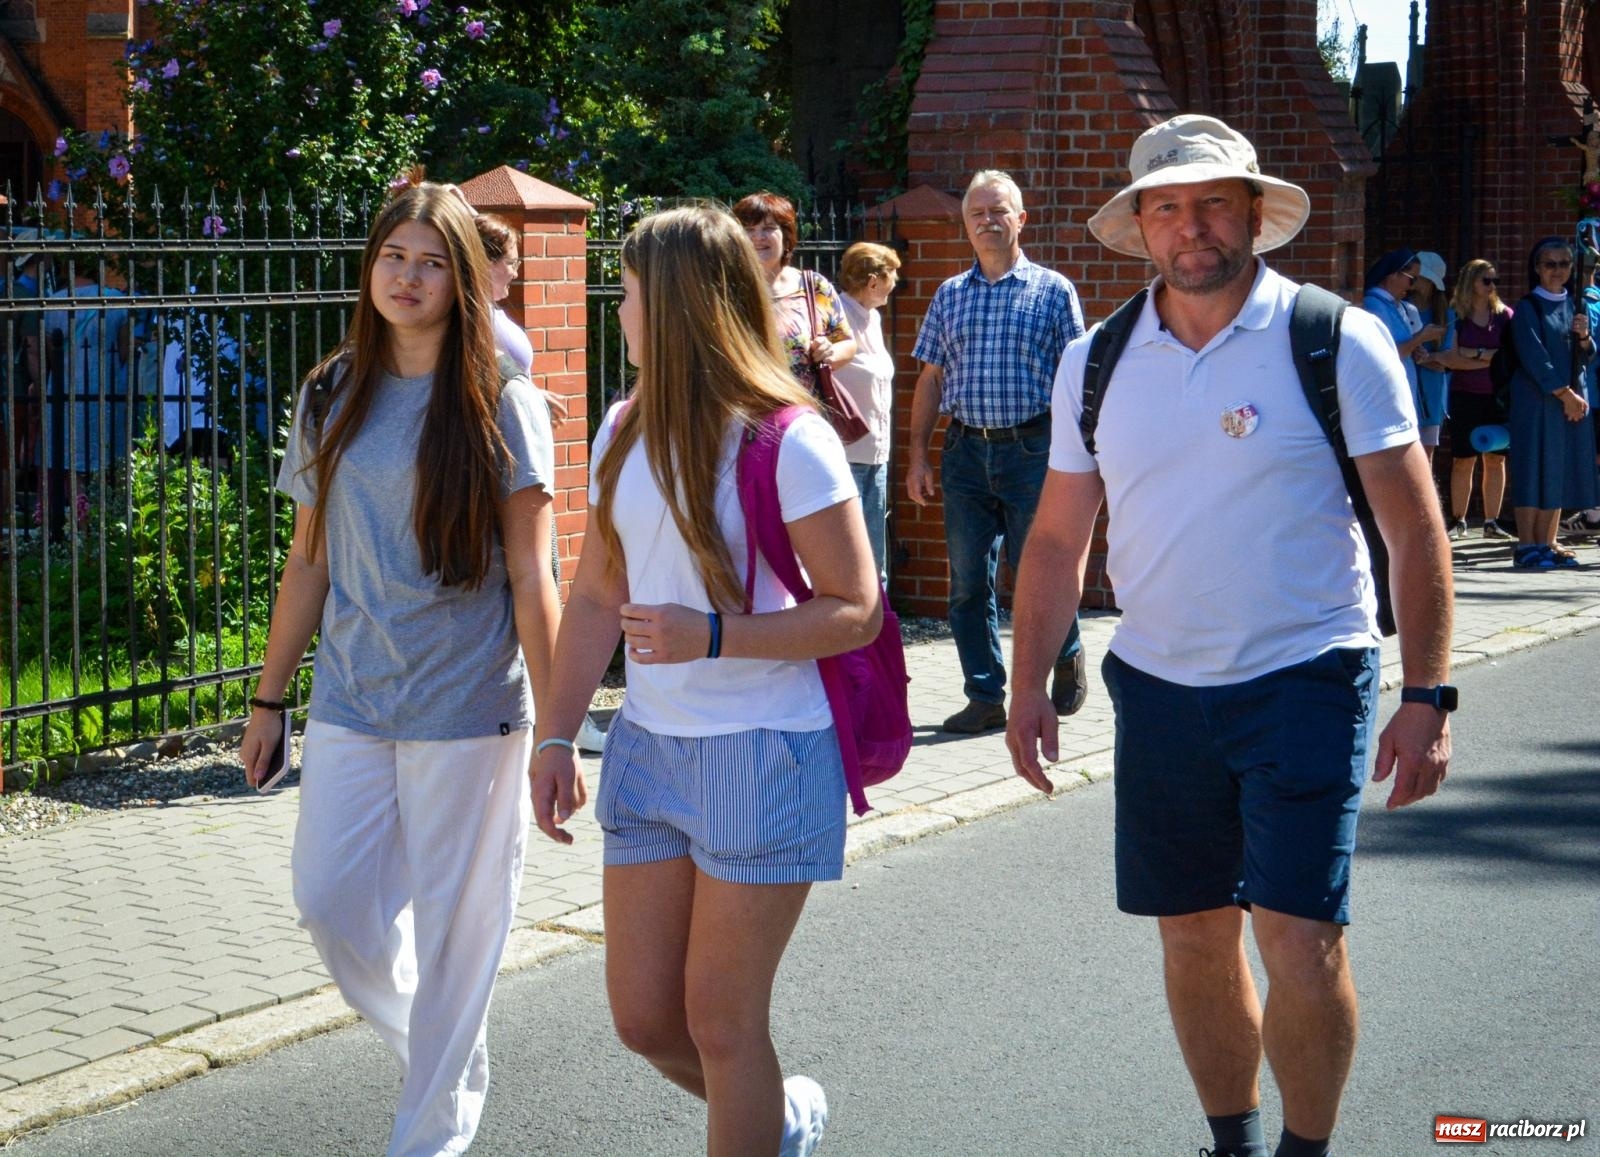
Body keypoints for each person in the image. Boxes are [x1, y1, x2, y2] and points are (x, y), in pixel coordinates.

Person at [1006, 115, 1454, 1157]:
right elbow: (1055, 538)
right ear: (1141, 227)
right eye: (1167, 207)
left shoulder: (1333, 337)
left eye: (1212, 203)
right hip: (1158, 689)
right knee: (1194, 936)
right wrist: (1029, 679)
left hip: (1308, 672)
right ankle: (1234, 1145)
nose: (1191, 226)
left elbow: (1410, 525)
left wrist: (1427, 692)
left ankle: (1305, 1148)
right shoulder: (1095, 360)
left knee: (1299, 939)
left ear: (1253, 213)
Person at [529, 206, 879, 1157]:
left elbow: (857, 608)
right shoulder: (619, 429)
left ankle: (758, 1117)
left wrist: (713, 632)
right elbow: (595, 593)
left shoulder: (788, 440)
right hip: (650, 752)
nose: (619, 309)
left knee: (724, 1026)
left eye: (631, 291)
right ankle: (779, 1119)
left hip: (765, 754)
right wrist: (555, 736)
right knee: (647, 1021)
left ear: (678, 304)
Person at [238, 180, 562, 1156]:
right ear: (370, 267)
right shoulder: (332, 391)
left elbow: (532, 573)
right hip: (351, 698)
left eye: (430, 260)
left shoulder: (503, 403)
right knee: (331, 902)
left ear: (461, 277)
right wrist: (268, 696)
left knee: (462, 933)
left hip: (470, 712)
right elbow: (309, 561)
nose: (408, 275)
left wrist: (557, 727)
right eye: (393, 256)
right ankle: (446, 1055)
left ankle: (429, 1135)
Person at [907, 169, 1087, 734]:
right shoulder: (949, 294)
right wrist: (917, 453)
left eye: (998, 210)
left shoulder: (1053, 291)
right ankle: (984, 696)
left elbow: (1076, 377)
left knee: (1041, 568)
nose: (988, 221)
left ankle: (1068, 646)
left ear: (1020, 219)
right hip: (964, 452)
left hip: (1034, 449)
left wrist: (1080, 453)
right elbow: (931, 378)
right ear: (966, 226)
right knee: (966, 580)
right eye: (977, 213)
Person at [1505, 236, 1597, 569]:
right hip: (1537, 401)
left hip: (1570, 400)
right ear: (1537, 268)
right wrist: (1564, 394)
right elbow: (1535, 357)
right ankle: (1527, 544)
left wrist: (1584, 337)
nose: (1557, 270)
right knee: (1533, 468)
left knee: (1556, 470)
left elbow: (1589, 357)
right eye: (1550, 264)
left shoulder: (1577, 305)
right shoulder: (1528, 307)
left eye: (1564, 264)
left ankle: (1547, 543)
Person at [732, 191, 857, 395]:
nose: (757, 237)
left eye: (768, 228)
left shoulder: (814, 286)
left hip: (802, 414)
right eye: (749, 229)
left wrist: (828, 352)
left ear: (787, 236)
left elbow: (848, 343)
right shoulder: (726, 289)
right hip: (744, 414)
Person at [832, 240, 902, 579]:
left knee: (876, 565)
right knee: (852, 563)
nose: (896, 283)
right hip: (844, 455)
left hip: (875, 455)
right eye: (892, 276)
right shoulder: (835, 316)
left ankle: (879, 631)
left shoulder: (872, 318)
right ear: (873, 281)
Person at [1430, 259, 1512, 539]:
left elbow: (1508, 359)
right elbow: (1451, 359)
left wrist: (1472, 353)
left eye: (1494, 281)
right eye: (1485, 280)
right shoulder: (1457, 315)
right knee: (1463, 459)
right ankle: (1459, 520)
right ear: (1470, 282)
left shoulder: (1504, 316)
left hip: (1497, 396)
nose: (1491, 286)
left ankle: (1492, 521)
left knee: (1496, 459)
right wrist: (1486, 357)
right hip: (1465, 395)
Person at [1362, 248, 1445, 447]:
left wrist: (1417, 348)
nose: (1412, 286)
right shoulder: (1374, 304)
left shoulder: (1394, 305)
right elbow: (1390, 354)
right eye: (1411, 278)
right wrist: (1421, 337)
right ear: (1392, 275)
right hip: (1387, 401)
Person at [1407, 250, 1450, 462]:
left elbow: (1447, 361)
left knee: (1426, 458)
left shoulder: (1445, 314)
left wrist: (1426, 357)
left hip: (1432, 395)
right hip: (1405, 391)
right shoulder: (1399, 308)